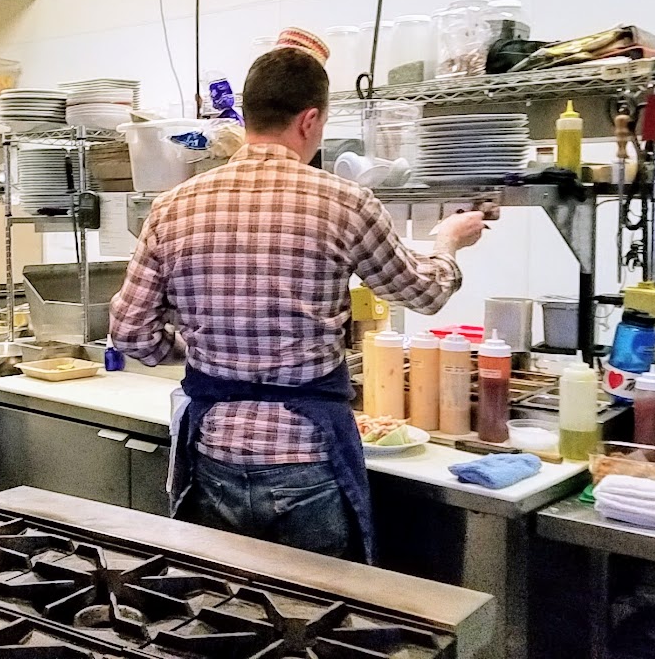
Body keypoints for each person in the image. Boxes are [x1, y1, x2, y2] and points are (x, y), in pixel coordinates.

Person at [108, 47, 486, 561]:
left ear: (247, 115)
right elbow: (425, 292)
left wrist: (202, 349)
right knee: (314, 624)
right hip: (307, 459)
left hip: (212, 453)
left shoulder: (173, 206)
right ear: (310, 119)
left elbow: (131, 333)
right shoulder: (346, 202)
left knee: (226, 620)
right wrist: (447, 241)